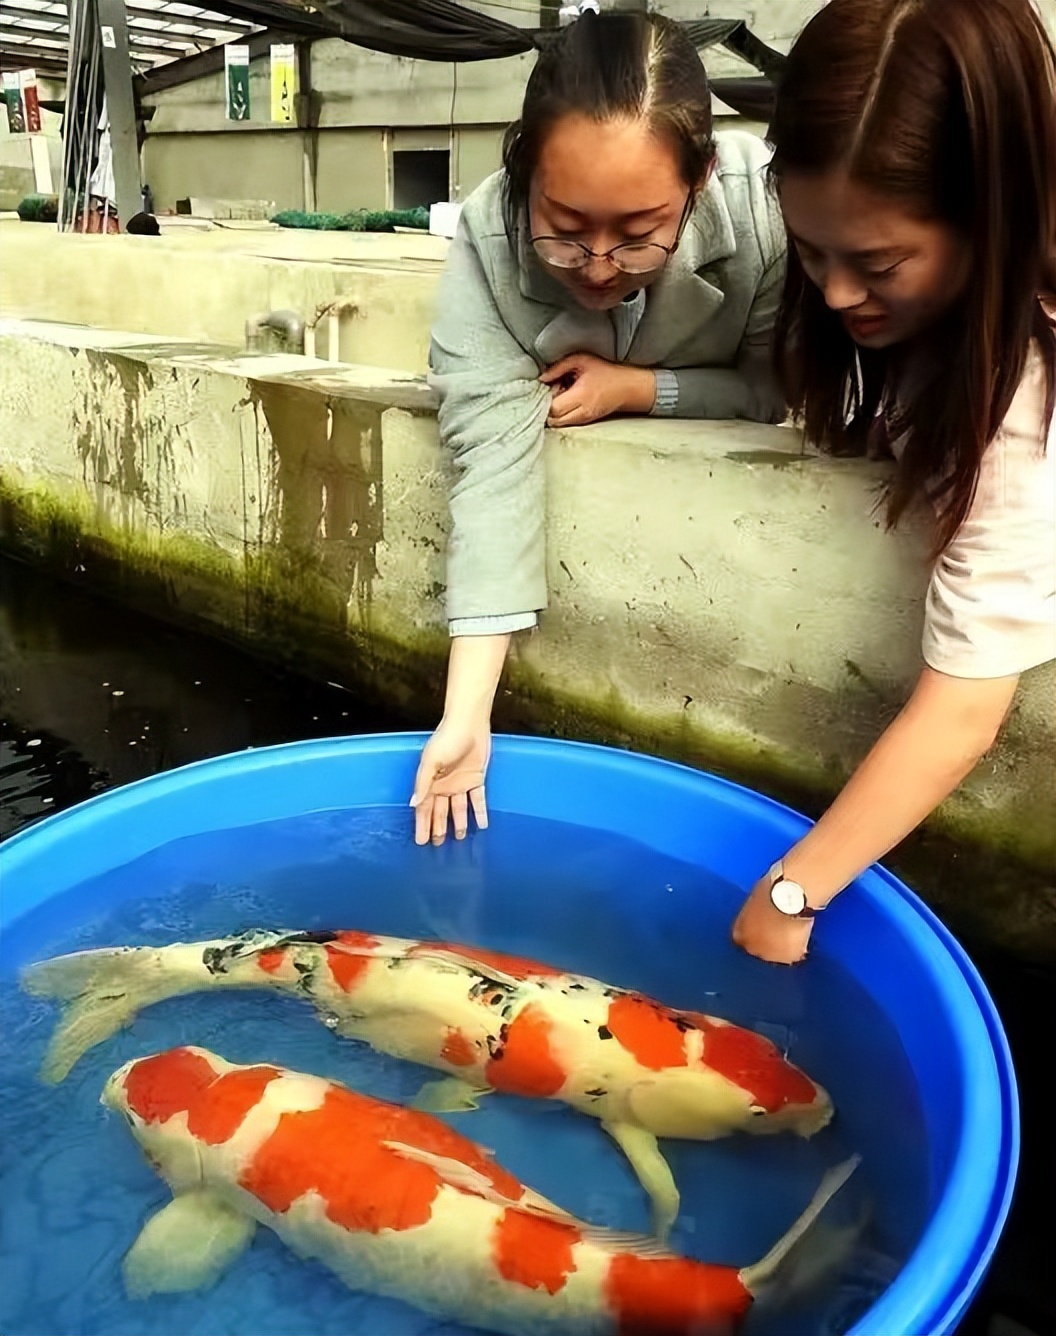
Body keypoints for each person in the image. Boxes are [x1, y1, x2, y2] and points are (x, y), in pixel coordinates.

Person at [412, 9, 788, 844]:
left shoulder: (769, 213)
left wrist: (644, 388)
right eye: (567, 229)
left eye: (640, 234)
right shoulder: (485, 236)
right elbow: (492, 454)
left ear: (703, 177)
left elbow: (779, 392)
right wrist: (468, 717)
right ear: (522, 174)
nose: (600, 266)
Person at [731, 0, 1055, 964]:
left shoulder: (1021, 407)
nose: (832, 293)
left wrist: (790, 896)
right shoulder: (929, 321)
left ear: (990, 217)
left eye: (877, 262)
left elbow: (964, 707)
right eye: (810, 249)